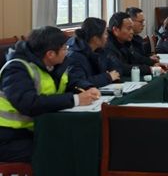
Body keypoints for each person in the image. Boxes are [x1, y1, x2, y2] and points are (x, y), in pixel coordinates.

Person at [0, 26, 100, 161]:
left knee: (79, 141)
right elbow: (29, 104)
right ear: (50, 54)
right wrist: (75, 99)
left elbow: (70, 81)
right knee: (62, 151)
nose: (67, 51)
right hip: (8, 136)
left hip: (36, 129)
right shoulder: (16, 69)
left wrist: (87, 87)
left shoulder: (53, 64)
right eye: (64, 48)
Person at [66, 18, 121, 88]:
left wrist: (112, 74)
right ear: (95, 39)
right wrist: (108, 77)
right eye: (105, 34)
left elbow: (117, 68)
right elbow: (79, 83)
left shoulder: (101, 50)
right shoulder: (75, 56)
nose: (107, 37)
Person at [104, 12, 157, 77]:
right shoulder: (107, 45)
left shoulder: (125, 42)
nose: (132, 32)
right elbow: (120, 68)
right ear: (116, 30)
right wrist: (149, 69)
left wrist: (153, 62)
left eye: (132, 28)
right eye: (129, 28)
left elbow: (135, 57)